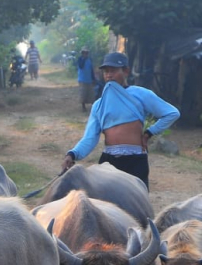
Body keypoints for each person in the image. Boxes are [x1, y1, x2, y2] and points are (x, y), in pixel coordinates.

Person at [61, 52, 180, 190]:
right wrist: (72, 154)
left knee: (136, 205)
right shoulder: (99, 105)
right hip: (109, 161)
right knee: (103, 205)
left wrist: (149, 132)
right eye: (106, 71)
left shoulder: (140, 94)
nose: (109, 75)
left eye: (113, 70)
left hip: (135, 161)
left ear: (126, 71)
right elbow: (89, 138)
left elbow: (172, 113)